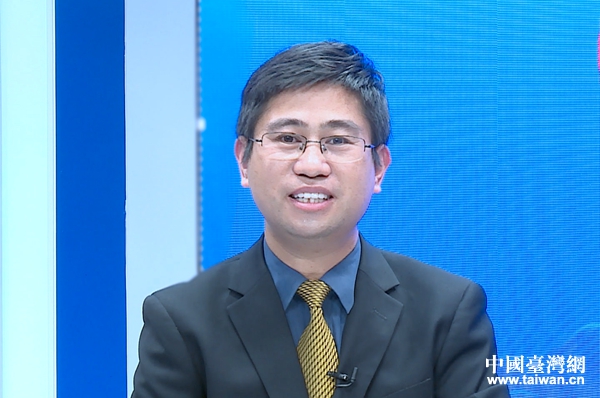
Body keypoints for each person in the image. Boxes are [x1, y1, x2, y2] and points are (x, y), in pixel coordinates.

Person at [131, 41, 510, 398]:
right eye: (288, 138)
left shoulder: (449, 312)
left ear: (379, 167)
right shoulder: (180, 320)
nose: (312, 165)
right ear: (243, 160)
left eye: (338, 141)